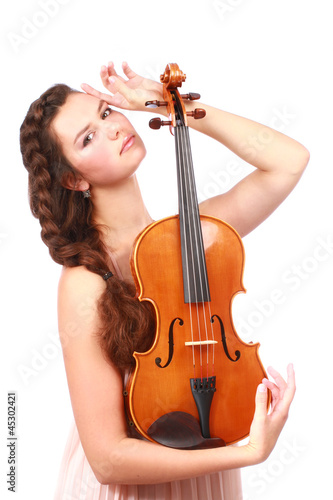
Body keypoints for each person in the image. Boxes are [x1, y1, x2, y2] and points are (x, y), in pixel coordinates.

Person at [20, 61, 307, 500]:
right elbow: (106, 458)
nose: (113, 128)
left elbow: (288, 161)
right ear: (73, 178)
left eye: (105, 112)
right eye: (88, 137)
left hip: (206, 460)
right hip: (136, 486)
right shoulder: (85, 280)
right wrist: (247, 453)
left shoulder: (195, 235)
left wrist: (175, 105)